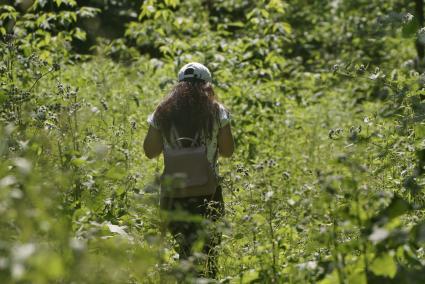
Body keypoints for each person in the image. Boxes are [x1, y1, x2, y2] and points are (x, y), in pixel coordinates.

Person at [143, 62, 234, 279]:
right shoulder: (217, 111)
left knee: (184, 253)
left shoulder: (162, 111)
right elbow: (228, 151)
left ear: (179, 85)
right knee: (209, 254)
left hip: (174, 193)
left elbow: (150, 151)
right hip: (208, 193)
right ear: (206, 85)